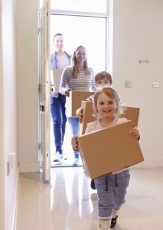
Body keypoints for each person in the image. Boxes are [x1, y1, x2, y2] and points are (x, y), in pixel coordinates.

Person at [71, 87, 140, 230]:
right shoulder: (91, 127)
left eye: (110, 102)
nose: (106, 106)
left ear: (117, 105)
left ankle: (115, 213)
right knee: (105, 200)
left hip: (121, 171)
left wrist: (136, 135)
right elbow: (83, 149)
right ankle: (104, 224)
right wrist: (75, 145)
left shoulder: (123, 123)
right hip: (101, 173)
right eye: (101, 103)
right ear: (96, 107)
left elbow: (133, 142)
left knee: (119, 199)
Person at [75, 71, 113, 190]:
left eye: (106, 82)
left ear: (111, 84)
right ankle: (96, 178)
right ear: (95, 85)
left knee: (109, 156)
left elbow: (123, 109)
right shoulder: (92, 98)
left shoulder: (114, 98)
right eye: (99, 83)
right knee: (96, 156)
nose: (103, 85)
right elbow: (81, 108)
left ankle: (109, 179)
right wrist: (79, 112)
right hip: (95, 132)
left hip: (109, 133)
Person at [60, 45, 95, 162]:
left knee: (86, 133)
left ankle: (84, 159)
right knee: (75, 134)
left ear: (86, 56)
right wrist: (65, 91)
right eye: (79, 53)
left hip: (87, 107)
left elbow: (94, 88)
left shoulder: (90, 71)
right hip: (73, 107)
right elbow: (61, 87)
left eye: (84, 54)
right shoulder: (68, 70)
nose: (81, 56)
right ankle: (76, 157)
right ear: (75, 54)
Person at [50, 33, 71, 162]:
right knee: (57, 120)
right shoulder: (50, 57)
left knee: (64, 121)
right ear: (54, 42)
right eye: (57, 41)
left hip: (67, 94)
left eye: (61, 41)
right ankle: (58, 150)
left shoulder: (69, 57)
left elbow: (72, 75)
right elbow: (46, 73)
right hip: (54, 94)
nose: (59, 43)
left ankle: (61, 148)